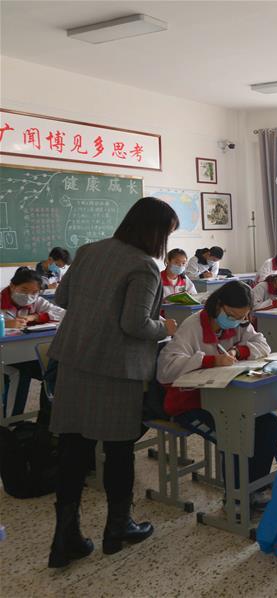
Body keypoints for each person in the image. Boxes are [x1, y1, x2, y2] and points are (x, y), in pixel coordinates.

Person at [48, 197, 179, 568]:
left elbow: (62, 298)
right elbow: (135, 324)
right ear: (155, 231)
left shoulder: (89, 251)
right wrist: (165, 328)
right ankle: (118, 527)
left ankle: (65, 537)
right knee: (119, 449)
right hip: (116, 369)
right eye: (167, 233)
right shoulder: (144, 266)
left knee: (73, 448)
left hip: (74, 361)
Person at [157, 282, 277, 509]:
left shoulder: (240, 323)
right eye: (231, 315)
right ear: (218, 305)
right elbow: (166, 368)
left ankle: (254, 488)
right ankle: (235, 499)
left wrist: (238, 350)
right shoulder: (193, 326)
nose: (236, 321)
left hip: (225, 400)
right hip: (190, 404)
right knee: (234, 434)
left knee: (270, 425)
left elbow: (262, 345)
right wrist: (210, 360)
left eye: (242, 317)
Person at [1, 267, 65, 417]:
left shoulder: (37, 301)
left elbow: (62, 314)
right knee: (20, 372)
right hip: (4, 356)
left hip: (24, 353)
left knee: (51, 370)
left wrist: (36, 317)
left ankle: (45, 419)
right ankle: (12, 420)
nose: (29, 296)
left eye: (34, 292)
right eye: (24, 290)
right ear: (12, 286)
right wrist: (5, 324)